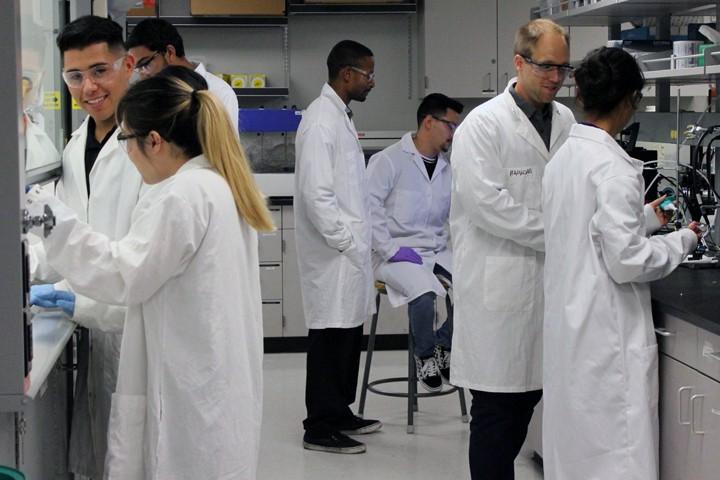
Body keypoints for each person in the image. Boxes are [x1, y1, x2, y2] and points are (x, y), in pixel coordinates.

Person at [27, 73, 273, 479]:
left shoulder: (184, 194)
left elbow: (126, 273)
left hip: (190, 392)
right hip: (213, 379)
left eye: (125, 140)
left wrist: (52, 222)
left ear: (154, 140)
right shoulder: (213, 183)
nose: (125, 153)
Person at [542, 47, 701, 480]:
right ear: (631, 99)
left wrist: (645, 218)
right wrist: (684, 240)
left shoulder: (564, 157)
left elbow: (584, 230)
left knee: (576, 452)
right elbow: (627, 261)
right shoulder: (612, 168)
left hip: (571, 329)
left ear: (581, 96)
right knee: (617, 455)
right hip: (604, 336)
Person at [449, 18, 576, 479]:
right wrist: (563, 232)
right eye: (546, 66)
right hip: (498, 296)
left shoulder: (565, 120)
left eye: (564, 68)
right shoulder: (481, 127)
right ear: (519, 62)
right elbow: (488, 207)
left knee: (528, 409)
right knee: (497, 419)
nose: (556, 78)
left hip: (549, 290)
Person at [28, 16, 142, 479]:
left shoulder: (152, 143)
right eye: (75, 76)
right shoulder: (75, 145)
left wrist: (83, 298)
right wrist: (30, 269)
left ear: (128, 65)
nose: (88, 87)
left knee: (140, 453)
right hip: (97, 326)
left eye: (100, 71)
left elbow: (142, 261)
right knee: (102, 452)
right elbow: (67, 236)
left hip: (136, 331)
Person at [294, 39, 381, 454]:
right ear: (347, 74)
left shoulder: (339, 117)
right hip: (334, 256)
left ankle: (341, 412)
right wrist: (346, 242)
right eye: (367, 74)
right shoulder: (320, 122)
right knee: (329, 339)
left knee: (347, 335)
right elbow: (317, 196)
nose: (372, 81)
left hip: (348, 254)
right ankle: (320, 426)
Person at [366, 93, 463, 392]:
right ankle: (424, 357)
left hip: (435, 250)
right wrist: (391, 250)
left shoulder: (449, 168)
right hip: (393, 253)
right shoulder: (389, 161)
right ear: (428, 122)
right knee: (423, 293)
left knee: (471, 288)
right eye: (450, 126)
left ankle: (442, 348)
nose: (454, 133)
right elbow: (369, 209)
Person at [126, 18, 239, 133]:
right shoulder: (153, 95)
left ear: (170, 52)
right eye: (138, 69)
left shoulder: (219, 92)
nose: (143, 76)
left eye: (145, 64)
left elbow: (225, 149)